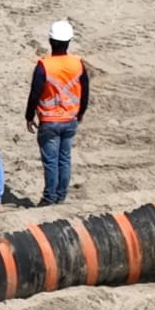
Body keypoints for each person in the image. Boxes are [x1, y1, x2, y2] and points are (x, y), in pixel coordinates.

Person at [24, 18, 92, 206]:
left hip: (49, 120)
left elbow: (35, 93)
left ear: (50, 41)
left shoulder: (44, 65)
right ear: (69, 41)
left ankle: (49, 197)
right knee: (65, 159)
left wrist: (29, 116)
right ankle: (60, 196)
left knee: (51, 162)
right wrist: (81, 113)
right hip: (70, 119)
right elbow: (85, 90)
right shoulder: (78, 63)